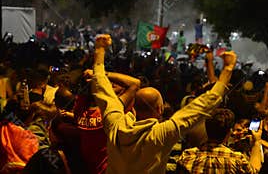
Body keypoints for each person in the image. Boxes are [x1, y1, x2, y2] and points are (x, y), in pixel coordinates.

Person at [91, 34, 237, 173]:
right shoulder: (160, 134)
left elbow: (102, 88)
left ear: (133, 108)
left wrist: (99, 51)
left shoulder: (115, 124)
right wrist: (227, 70)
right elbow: (200, 108)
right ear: (160, 109)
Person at [177, 108, 263, 173]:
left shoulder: (187, 156)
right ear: (229, 132)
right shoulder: (237, 159)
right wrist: (257, 142)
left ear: (206, 128)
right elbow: (254, 170)